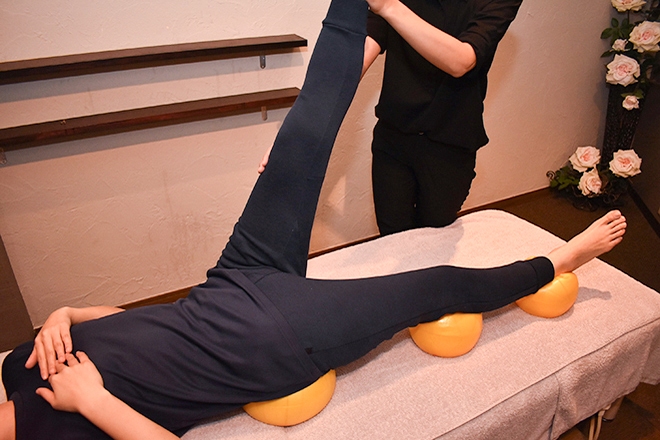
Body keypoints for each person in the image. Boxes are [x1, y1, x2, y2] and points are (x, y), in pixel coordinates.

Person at [1, 0, 626, 439]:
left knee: (299, 141)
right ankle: (558, 260)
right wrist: (94, 400)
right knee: (431, 287)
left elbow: (135, 327)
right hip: (270, 341)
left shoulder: (15, 365)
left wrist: (69, 314)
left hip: (228, 284)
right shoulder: (46, 430)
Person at [363, 0, 524, 235]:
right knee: (392, 238)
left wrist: (388, 6)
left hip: (450, 144)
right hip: (393, 136)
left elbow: (462, 60)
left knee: (435, 237)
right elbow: (365, 47)